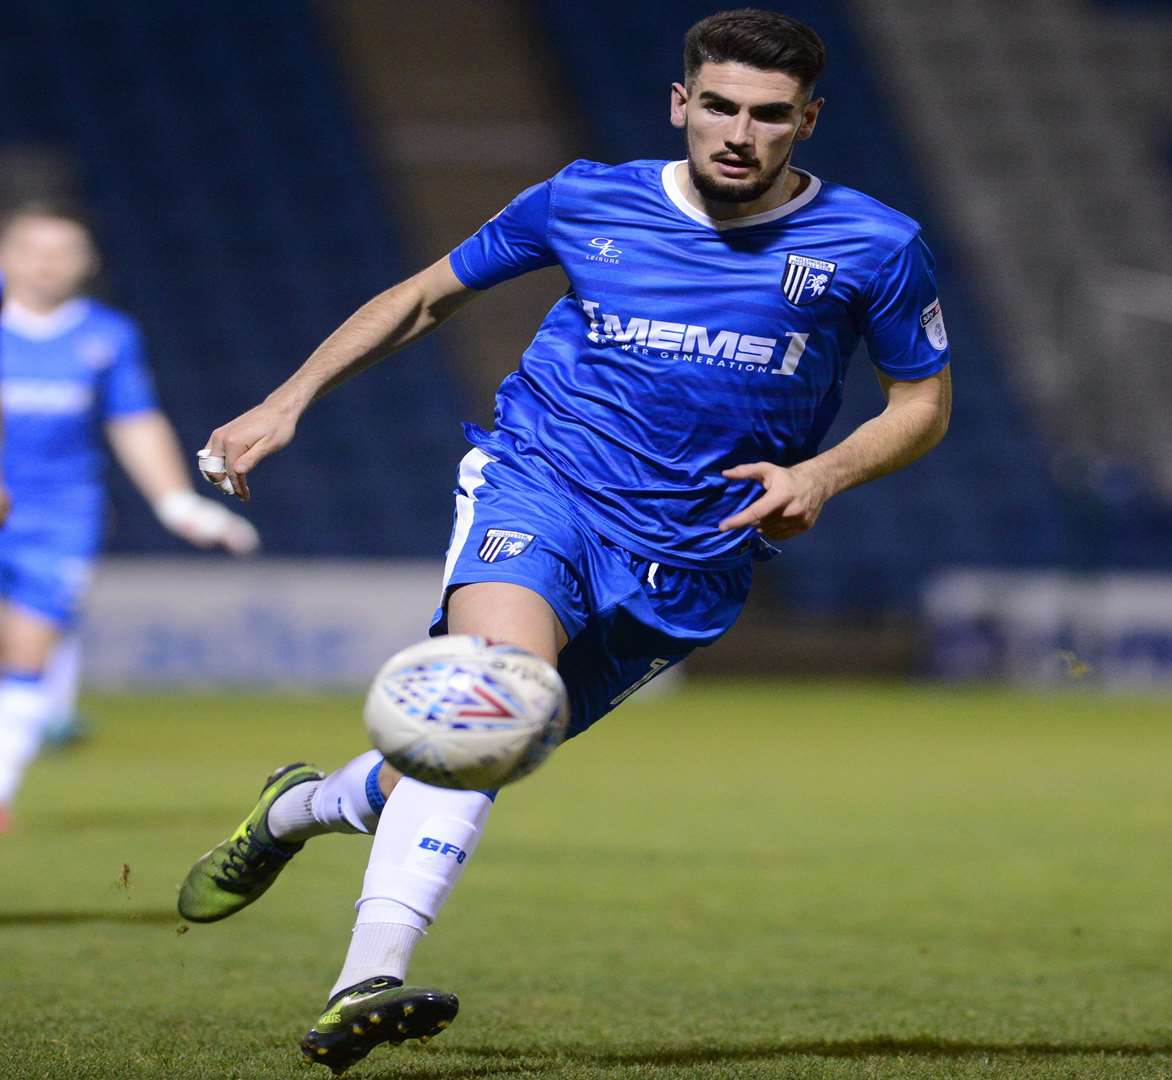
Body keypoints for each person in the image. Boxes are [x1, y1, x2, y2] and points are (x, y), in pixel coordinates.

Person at [173, 10, 952, 1073]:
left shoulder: (874, 243)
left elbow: (923, 404)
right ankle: (366, 981)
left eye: (769, 116)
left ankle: (295, 811)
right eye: (717, 105)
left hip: (692, 556)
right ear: (680, 103)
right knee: (494, 693)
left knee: (464, 752)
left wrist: (821, 473)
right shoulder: (588, 197)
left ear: (807, 122)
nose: (738, 132)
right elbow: (425, 297)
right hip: (541, 486)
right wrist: (288, 400)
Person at [0, 204, 258, 832]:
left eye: (63, 251)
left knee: (27, 647)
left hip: (59, 515)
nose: (47, 263)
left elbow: (134, 421)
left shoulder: (106, 336)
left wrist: (175, 502)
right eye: (34, 248)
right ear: (7, 255)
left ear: (86, 265)